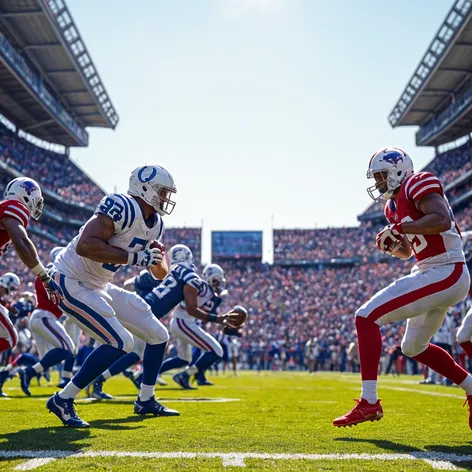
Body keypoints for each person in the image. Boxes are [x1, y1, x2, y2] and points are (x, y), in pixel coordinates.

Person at [333, 147, 472, 429]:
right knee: (412, 347)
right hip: (432, 270)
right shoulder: (391, 206)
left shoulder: (417, 182)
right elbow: (409, 252)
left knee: (366, 316)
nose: (378, 183)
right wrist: (395, 246)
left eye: (381, 176)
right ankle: (471, 386)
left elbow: (441, 220)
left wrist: (401, 230)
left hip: (447, 268)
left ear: (397, 170)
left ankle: (369, 401)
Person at [46, 165, 178, 428]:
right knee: (121, 342)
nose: (166, 198)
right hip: (70, 280)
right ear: (146, 188)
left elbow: (160, 273)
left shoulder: (155, 224)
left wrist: (157, 256)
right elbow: (86, 246)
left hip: (99, 285)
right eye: (162, 192)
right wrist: (136, 257)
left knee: (158, 335)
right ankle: (63, 398)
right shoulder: (122, 207)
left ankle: (145, 399)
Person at [0, 177, 63, 356]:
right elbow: (23, 243)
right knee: (9, 336)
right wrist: (44, 276)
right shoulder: (14, 207)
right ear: (25, 196)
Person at [163, 263, 227, 389]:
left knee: (184, 358)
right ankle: (185, 375)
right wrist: (218, 319)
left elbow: (204, 310)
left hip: (184, 321)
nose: (218, 284)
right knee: (216, 351)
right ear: (209, 278)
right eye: (215, 281)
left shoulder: (208, 292)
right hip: (183, 322)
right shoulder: (201, 286)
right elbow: (189, 307)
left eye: (219, 281)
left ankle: (142, 376)